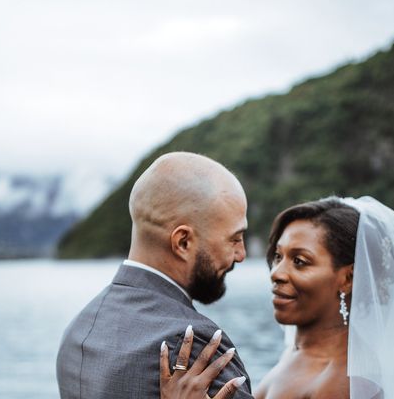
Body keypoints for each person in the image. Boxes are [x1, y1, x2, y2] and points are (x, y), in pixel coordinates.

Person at [160, 196, 394, 399]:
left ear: (347, 278)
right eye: (278, 256)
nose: (277, 273)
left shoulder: (345, 386)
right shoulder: (297, 355)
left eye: (300, 261)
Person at [56, 152, 253, 398]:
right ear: (183, 242)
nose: (241, 254)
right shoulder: (192, 345)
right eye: (234, 238)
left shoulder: (78, 330)